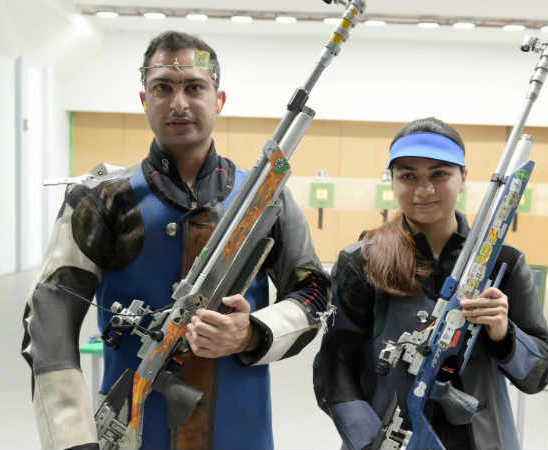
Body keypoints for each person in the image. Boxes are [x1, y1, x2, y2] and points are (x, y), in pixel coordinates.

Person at [21, 31, 330, 450]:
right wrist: (73, 440)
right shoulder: (99, 200)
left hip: (240, 433)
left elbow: (314, 293)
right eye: (163, 88)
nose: (179, 103)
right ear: (144, 99)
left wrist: (252, 333)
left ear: (219, 100)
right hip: (132, 433)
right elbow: (48, 323)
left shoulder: (265, 200)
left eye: (194, 87)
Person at [313, 117, 548, 450]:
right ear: (392, 181)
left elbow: (539, 373)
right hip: (388, 438)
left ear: (463, 177)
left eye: (439, 174)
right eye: (408, 176)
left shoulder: (503, 262)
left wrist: (504, 334)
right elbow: (334, 367)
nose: (424, 190)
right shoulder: (362, 260)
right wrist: (371, 440)